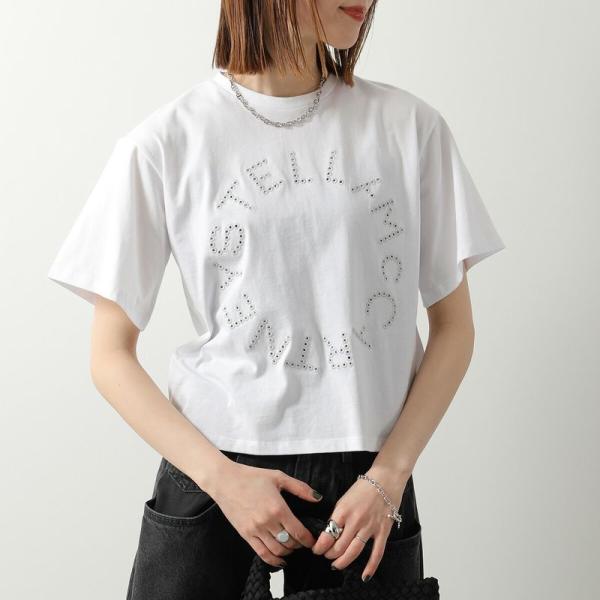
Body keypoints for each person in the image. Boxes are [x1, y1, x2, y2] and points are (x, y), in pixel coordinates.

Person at [47, 0, 506, 598]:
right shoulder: (167, 141)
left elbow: (454, 329)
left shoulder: (408, 128)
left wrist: (389, 476)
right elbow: (109, 356)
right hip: (214, 477)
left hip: (365, 494)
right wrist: (222, 480)